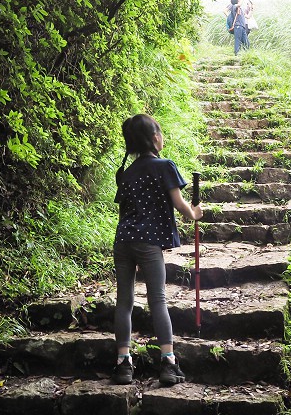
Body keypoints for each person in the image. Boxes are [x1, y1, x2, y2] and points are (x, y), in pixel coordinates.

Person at [111, 114, 203, 386]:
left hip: (123, 241)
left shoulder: (126, 173)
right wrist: (194, 213)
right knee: (158, 300)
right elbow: (180, 204)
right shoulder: (165, 166)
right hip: (148, 243)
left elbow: (125, 211)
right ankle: (168, 362)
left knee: (124, 302)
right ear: (154, 138)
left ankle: (123, 363)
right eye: (160, 133)